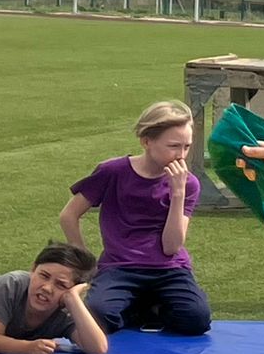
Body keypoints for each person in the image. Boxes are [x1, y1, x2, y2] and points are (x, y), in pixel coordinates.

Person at [61, 100, 212, 337]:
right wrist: (85, 261)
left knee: (196, 320)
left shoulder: (188, 184)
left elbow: (171, 246)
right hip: (120, 266)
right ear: (146, 141)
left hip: (169, 268)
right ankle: (137, 306)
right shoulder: (112, 172)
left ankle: (147, 306)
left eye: (186, 146)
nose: (181, 155)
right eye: (173, 146)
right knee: (98, 317)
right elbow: (69, 215)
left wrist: (177, 194)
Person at [0, 243, 109, 354]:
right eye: (44, 276)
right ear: (33, 269)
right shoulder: (10, 285)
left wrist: (73, 298)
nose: (47, 288)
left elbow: (98, 348)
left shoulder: (67, 309)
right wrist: (26, 348)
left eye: (61, 284)